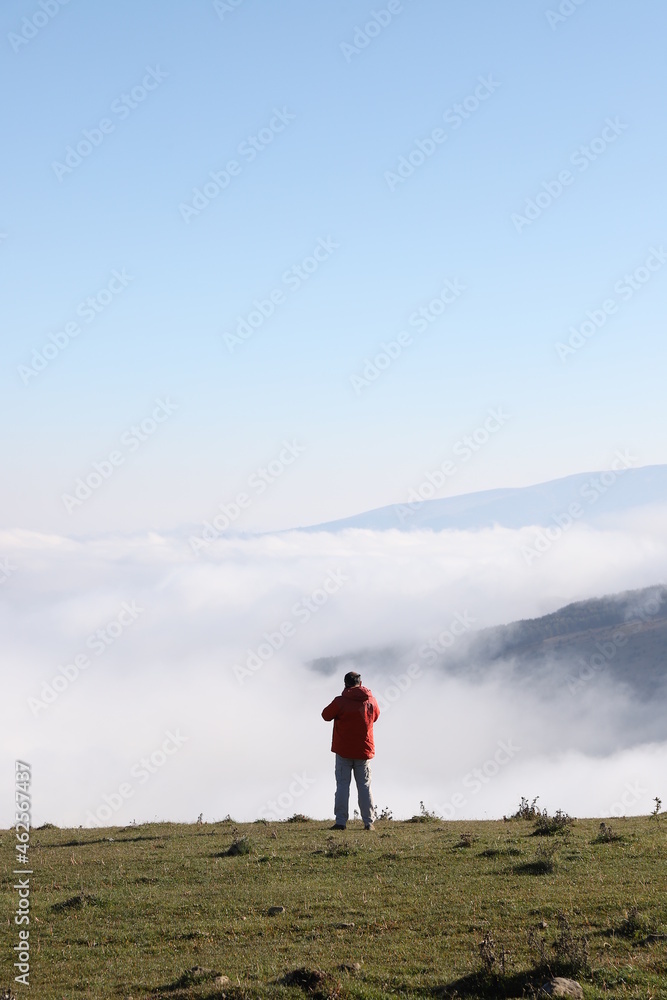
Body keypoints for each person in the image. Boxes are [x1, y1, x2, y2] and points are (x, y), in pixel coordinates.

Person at [321, 671, 380, 830]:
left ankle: (341, 821)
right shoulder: (371, 701)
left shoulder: (340, 702)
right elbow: (376, 716)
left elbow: (325, 715)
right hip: (363, 751)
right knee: (365, 786)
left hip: (343, 751)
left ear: (345, 684)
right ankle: (369, 822)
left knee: (342, 785)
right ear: (360, 684)